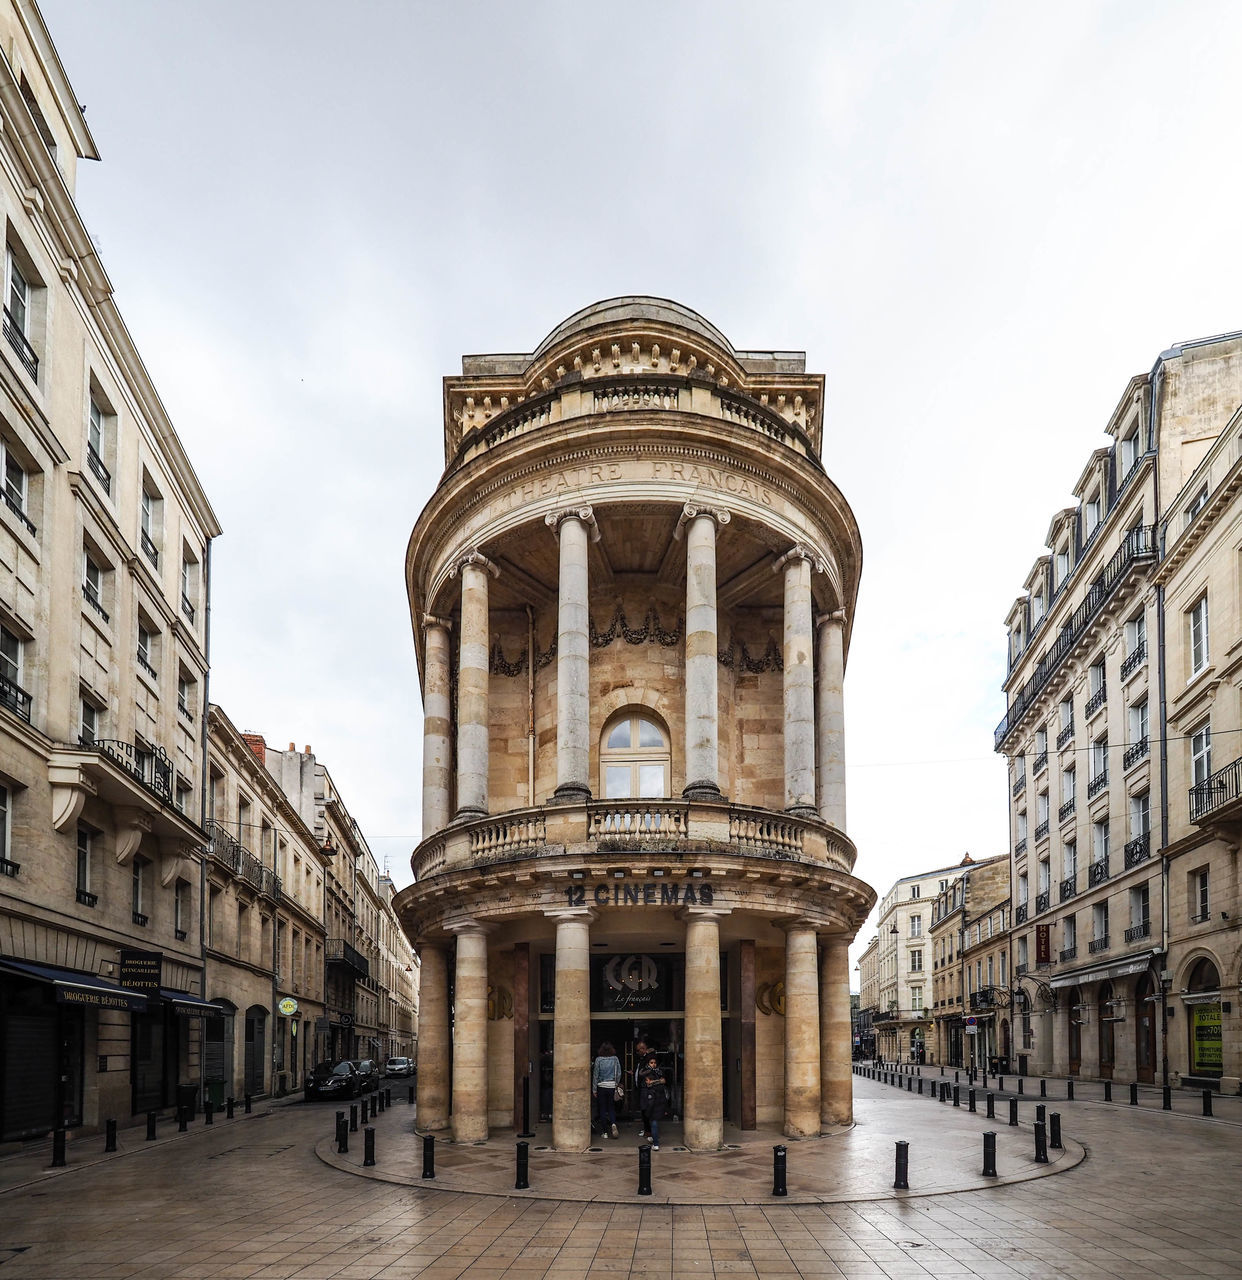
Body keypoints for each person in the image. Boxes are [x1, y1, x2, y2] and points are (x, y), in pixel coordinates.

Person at [591, 1041, 622, 1139]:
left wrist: (594, 1089)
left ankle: (605, 1132)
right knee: (611, 1108)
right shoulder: (615, 1059)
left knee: (602, 1110)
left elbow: (596, 1075)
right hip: (612, 1085)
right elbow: (619, 1073)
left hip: (601, 1086)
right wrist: (616, 1083)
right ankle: (613, 1123)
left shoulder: (598, 1060)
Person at [638, 1054, 668, 1150]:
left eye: (655, 1062)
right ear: (648, 1063)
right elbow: (648, 1083)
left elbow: (663, 1081)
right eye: (651, 1062)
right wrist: (658, 1081)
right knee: (652, 1120)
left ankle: (655, 1142)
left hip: (657, 1099)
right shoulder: (645, 1072)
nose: (653, 1064)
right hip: (650, 1098)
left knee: (653, 1120)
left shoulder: (658, 1071)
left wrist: (654, 1082)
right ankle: (653, 1139)